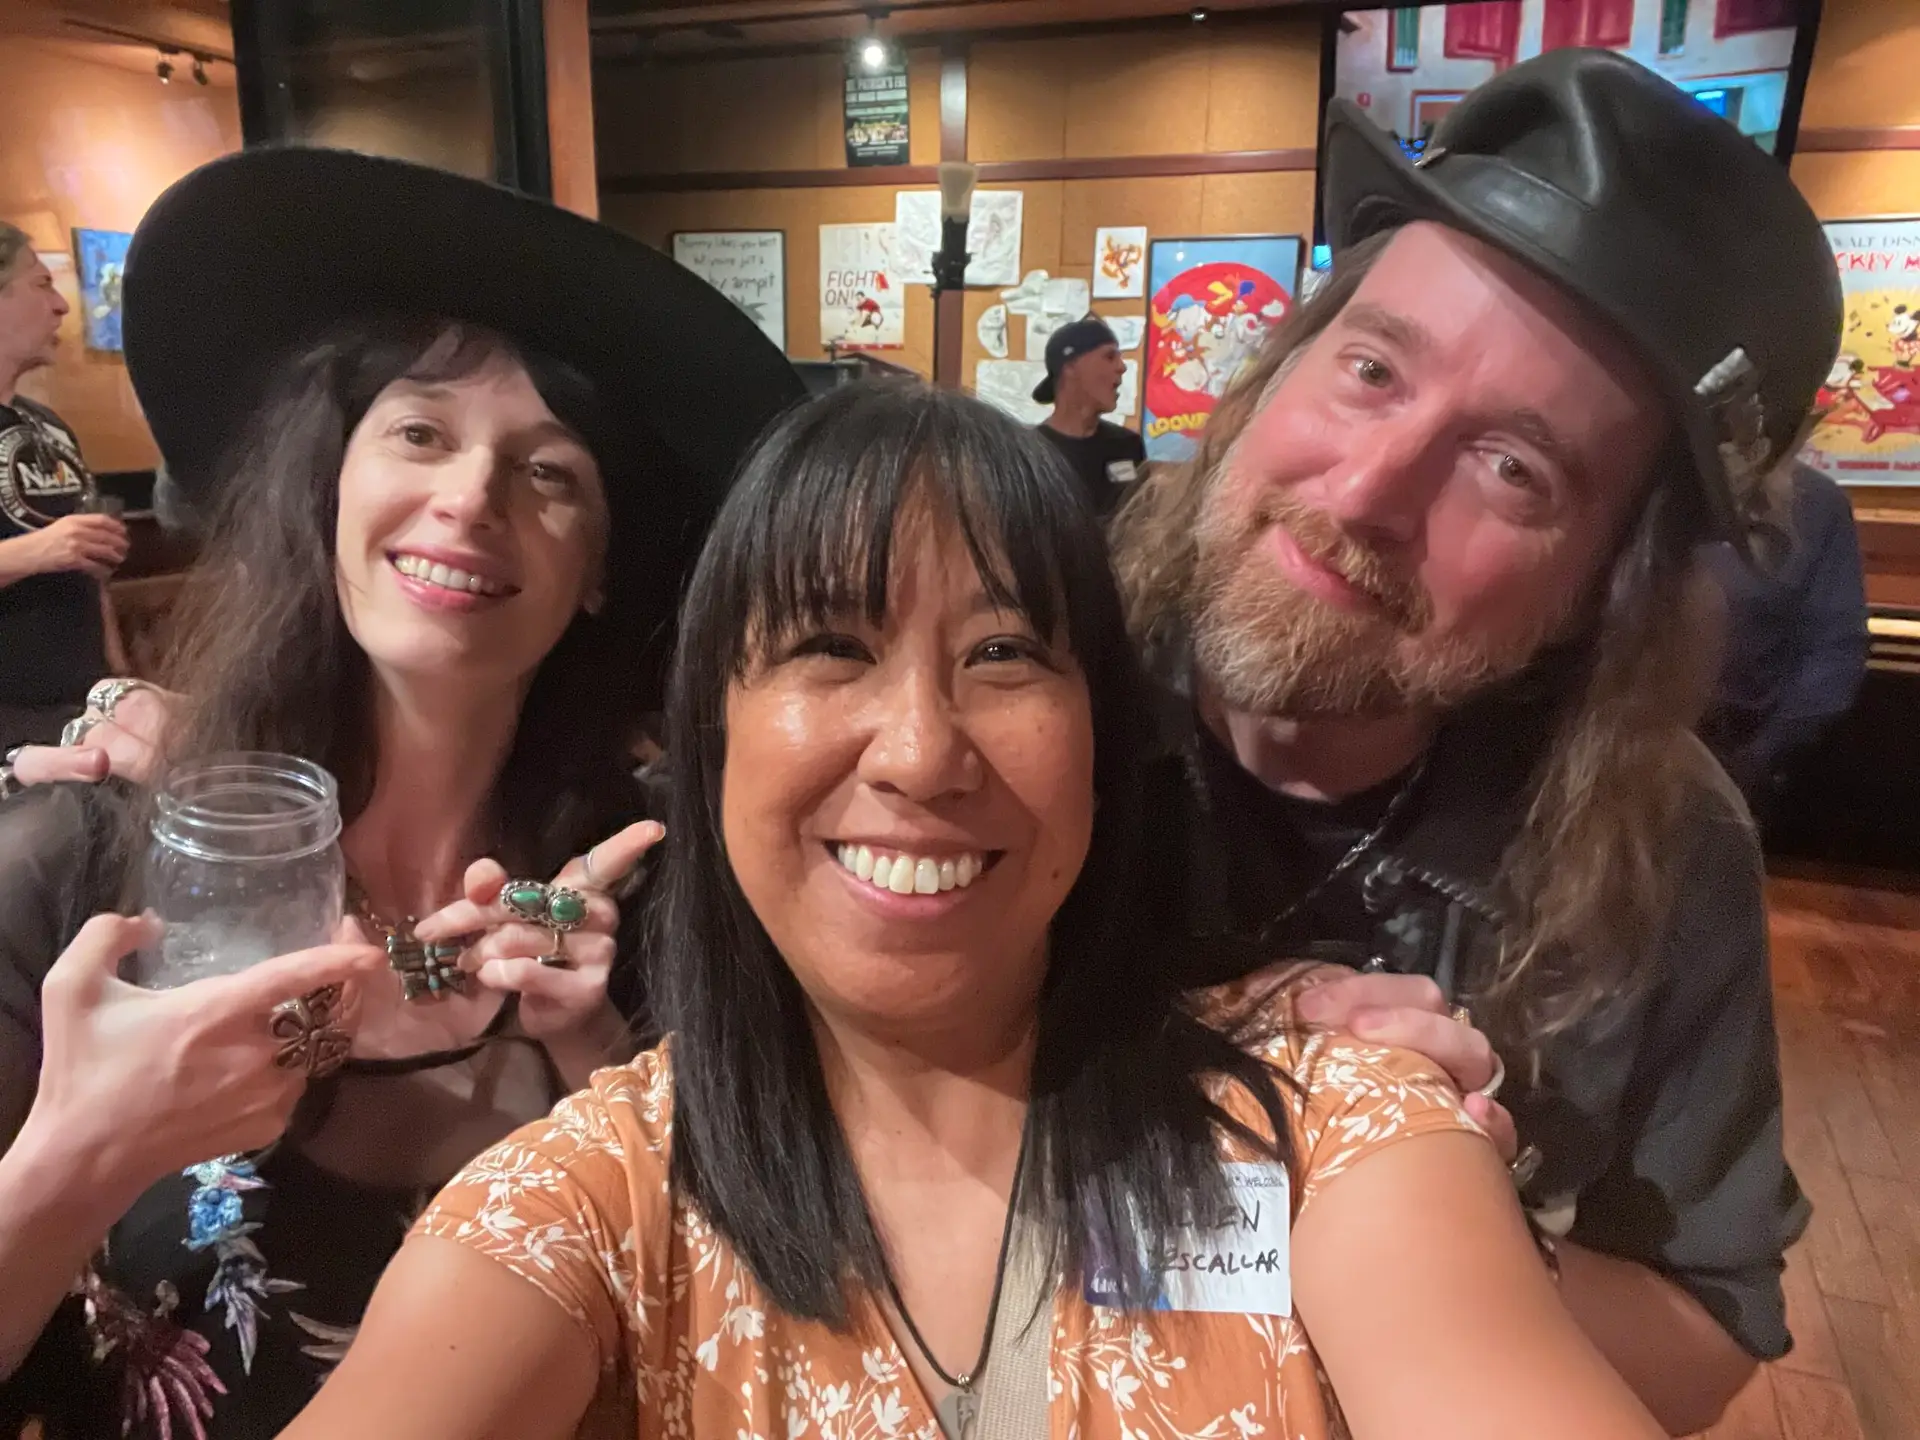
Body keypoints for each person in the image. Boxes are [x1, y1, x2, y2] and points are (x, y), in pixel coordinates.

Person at [276, 380, 1665, 1440]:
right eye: (831, 646)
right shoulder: (595, 1197)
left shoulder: (1331, 1132)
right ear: (708, 742)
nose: (921, 753)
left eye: (1003, 653)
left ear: (1102, 745)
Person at [0, 146, 801, 1440]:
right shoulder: (78, 875)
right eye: (420, 433)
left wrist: (601, 1065)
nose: (471, 498)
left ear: (602, 568)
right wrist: (78, 1156)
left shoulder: (663, 911)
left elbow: (741, 1346)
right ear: (333, 486)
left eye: (550, 472)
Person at [1107, 49, 1840, 1435]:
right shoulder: (1023, 674)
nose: (1369, 492)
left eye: (1514, 468)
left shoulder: (1663, 850)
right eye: (1373, 368)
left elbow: (1707, 1332)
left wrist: (1425, 1202)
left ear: (1603, 590)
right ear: (1280, 367)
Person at [0, 222, 130, 749]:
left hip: (82, 708)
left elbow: (90, 573)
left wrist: (118, 677)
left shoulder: (49, 425)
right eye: (41, 284)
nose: (61, 306)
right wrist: (37, 551)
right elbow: (58, 548)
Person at [1699, 463, 1867, 824]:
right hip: (1623, 756)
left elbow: (1836, 651)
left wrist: (1760, 760)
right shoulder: (1647, 478)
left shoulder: (1818, 502)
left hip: (1748, 766)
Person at [1032, 316, 1145, 519]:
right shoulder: (1030, 453)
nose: (1122, 367)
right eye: (1109, 357)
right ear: (1070, 366)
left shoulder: (1127, 445)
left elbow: (1142, 521)